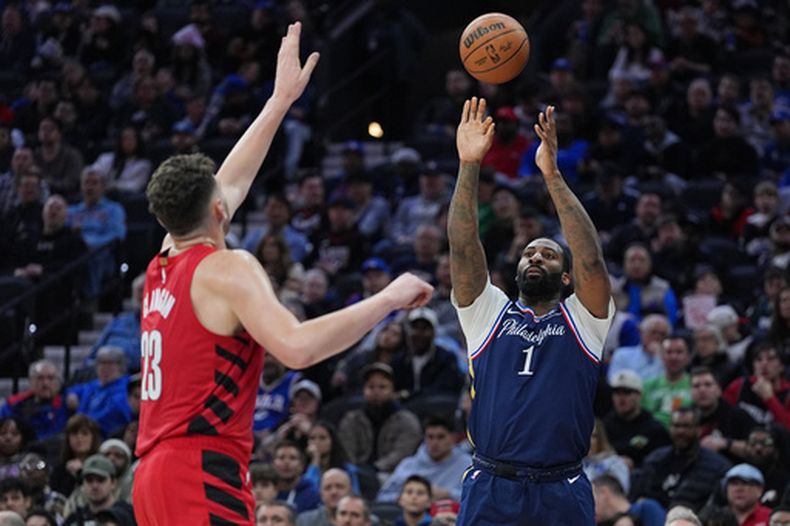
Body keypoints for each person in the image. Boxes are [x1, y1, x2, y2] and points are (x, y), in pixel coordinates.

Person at [133, 24, 432, 526]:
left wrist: (279, 101)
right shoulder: (227, 269)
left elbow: (230, 181)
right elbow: (296, 348)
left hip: (152, 476)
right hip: (199, 470)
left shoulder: (164, 260)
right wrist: (388, 299)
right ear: (218, 212)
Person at [448, 98, 614, 525]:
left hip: (561, 488)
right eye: (529, 253)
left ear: (565, 278)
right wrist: (469, 165)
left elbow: (591, 260)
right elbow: (464, 247)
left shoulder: (584, 319)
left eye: (548, 255)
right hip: (491, 484)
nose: (536, 257)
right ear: (517, 268)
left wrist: (552, 176)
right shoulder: (489, 315)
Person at [377, 416, 472, 503]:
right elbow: (382, 497)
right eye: (430, 437)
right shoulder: (408, 465)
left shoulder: (468, 465)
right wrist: (402, 498)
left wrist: (448, 495)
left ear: (453, 438)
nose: (434, 443)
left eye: (441, 437)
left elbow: (477, 498)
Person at [0, 360, 70, 440]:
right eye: (40, 378)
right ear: (30, 381)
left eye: (50, 378)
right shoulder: (14, 404)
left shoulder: (68, 404)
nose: (45, 383)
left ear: (59, 382)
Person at [592, 474, 666, 526]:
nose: (588, 505)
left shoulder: (646, 509)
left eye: (591, 497)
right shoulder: (598, 523)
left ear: (603, 493)